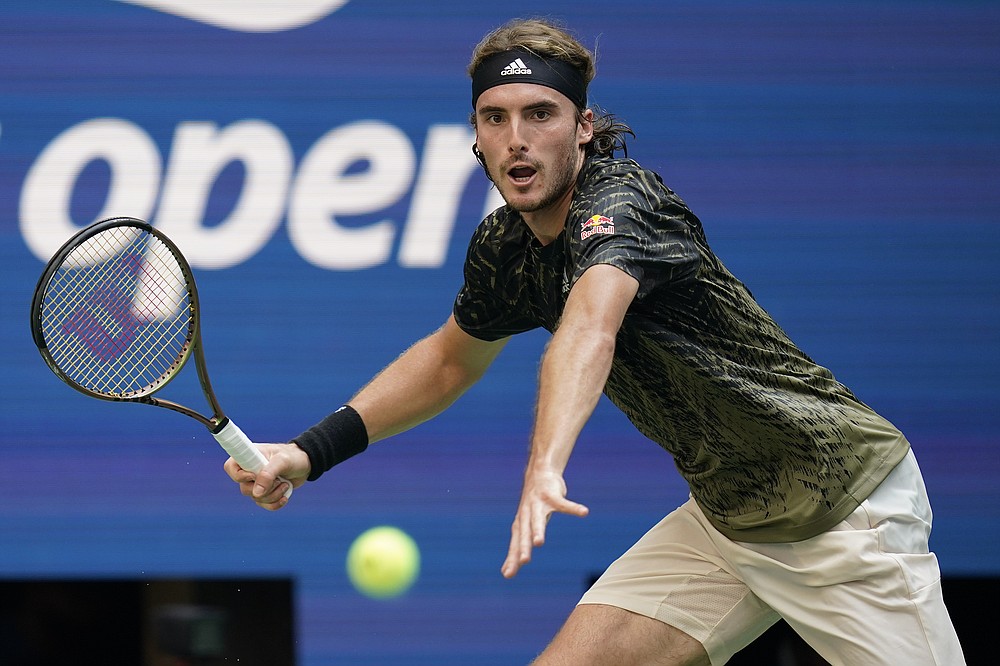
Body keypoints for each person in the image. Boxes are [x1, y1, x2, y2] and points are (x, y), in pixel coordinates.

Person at [225, 18, 965, 666]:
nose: (516, 140)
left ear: (583, 126)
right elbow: (450, 360)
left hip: (843, 510)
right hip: (729, 521)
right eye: (494, 117)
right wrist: (309, 452)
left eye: (540, 114)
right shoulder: (503, 248)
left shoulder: (625, 201)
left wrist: (545, 467)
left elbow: (590, 325)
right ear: (476, 134)